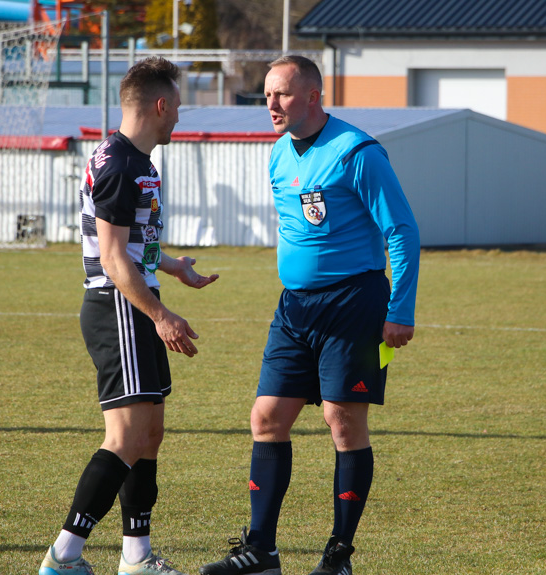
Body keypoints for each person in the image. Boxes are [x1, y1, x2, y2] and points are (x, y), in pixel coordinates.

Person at [200, 55, 420, 575]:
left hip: (353, 304)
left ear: (315, 97)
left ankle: (338, 556)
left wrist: (400, 309)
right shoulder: (277, 155)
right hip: (294, 308)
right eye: (267, 94)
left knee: (341, 421)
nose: (270, 104)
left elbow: (402, 230)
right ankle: (261, 551)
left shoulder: (357, 152)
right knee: (267, 417)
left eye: (283, 94)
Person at [38, 56, 219, 575]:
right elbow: (113, 259)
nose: (180, 117)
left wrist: (173, 264)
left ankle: (136, 557)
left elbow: (129, 243)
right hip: (120, 307)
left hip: (131, 302)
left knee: (149, 432)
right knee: (125, 438)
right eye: (178, 107)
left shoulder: (134, 160)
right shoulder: (120, 164)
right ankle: (64, 556)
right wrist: (161, 315)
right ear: (159, 105)